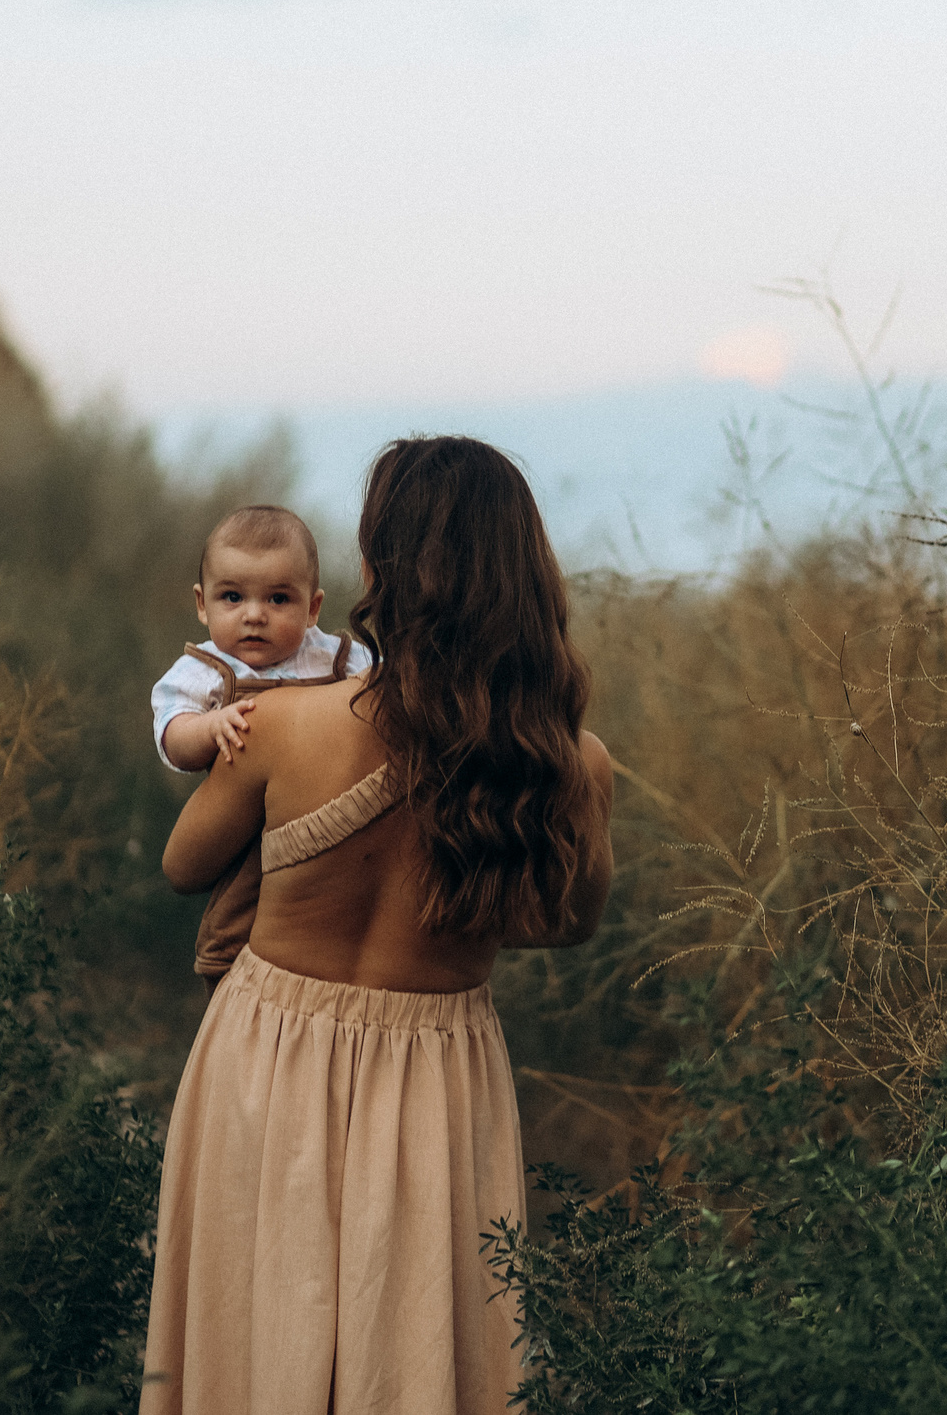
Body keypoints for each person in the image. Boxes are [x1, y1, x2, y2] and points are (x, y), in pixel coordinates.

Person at [141, 438, 616, 1415]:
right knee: (413, 1359)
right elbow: (567, 925)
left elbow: (183, 868)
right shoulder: (569, 763)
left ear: (379, 571)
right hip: (435, 1074)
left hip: (264, 1053)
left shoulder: (281, 724)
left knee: (250, 1348)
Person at [149, 504, 374, 985]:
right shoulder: (206, 671)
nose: (254, 616)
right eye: (232, 597)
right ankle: (228, 993)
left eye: (278, 599)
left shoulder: (335, 657)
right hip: (248, 826)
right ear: (202, 603)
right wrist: (209, 728)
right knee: (233, 922)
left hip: (328, 816)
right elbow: (172, 735)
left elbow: (383, 691)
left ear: (312, 608)